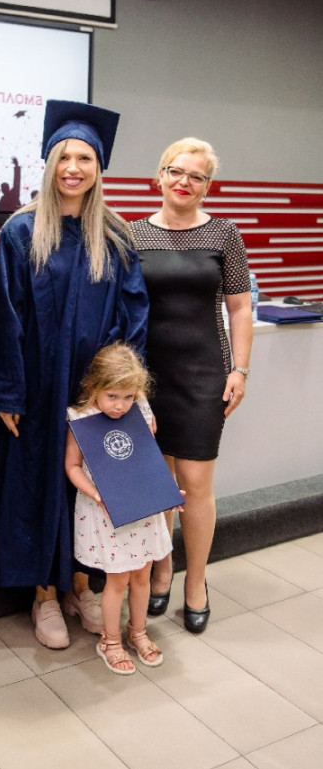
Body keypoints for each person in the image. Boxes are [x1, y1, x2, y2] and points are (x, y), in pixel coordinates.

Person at [0, 100, 149, 649]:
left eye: (84, 158)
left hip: (94, 394)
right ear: (49, 163)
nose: (73, 167)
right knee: (35, 484)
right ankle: (43, 595)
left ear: (98, 167)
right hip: (35, 390)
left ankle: (81, 586)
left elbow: (133, 316)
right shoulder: (22, 232)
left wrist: (117, 393)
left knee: (89, 489)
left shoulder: (114, 236)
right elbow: (3, 315)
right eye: (64, 157)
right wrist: (6, 394)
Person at [131, 138, 253, 633]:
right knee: (159, 483)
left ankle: (196, 581)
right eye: (176, 171)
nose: (184, 182)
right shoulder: (133, 233)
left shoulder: (225, 233)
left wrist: (240, 370)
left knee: (196, 485)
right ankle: (162, 570)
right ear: (159, 176)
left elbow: (239, 308)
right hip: (146, 377)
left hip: (204, 376)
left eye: (196, 176)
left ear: (208, 186)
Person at [65, 342, 172, 674]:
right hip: (106, 513)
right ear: (94, 386)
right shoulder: (82, 418)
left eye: (128, 397)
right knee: (117, 579)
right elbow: (72, 467)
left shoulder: (139, 412)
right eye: (112, 396)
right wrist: (97, 495)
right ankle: (110, 641)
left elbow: (146, 458)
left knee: (142, 575)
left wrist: (166, 491)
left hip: (141, 509)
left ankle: (138, 632)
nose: (120, 405)